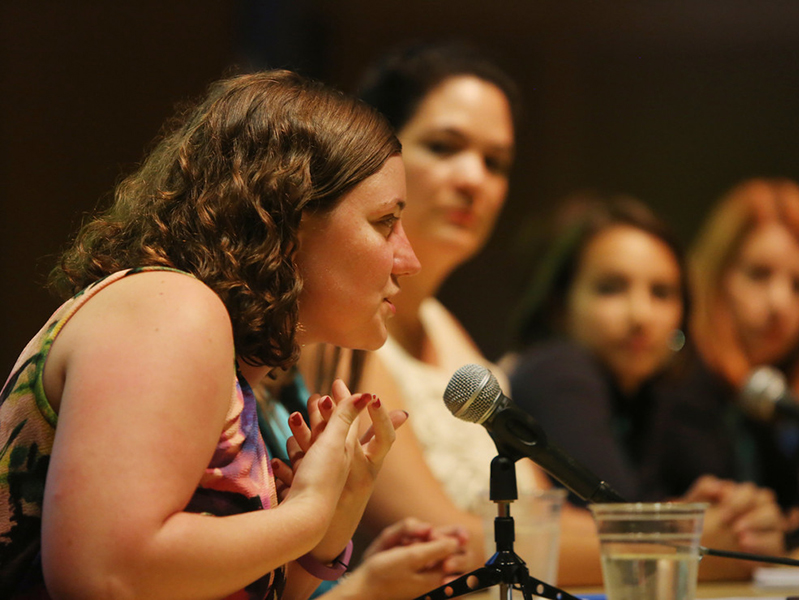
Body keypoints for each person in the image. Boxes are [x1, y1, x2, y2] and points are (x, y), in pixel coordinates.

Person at [0, 69, 423, 600]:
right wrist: (309, 515)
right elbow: (107, 576)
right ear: (285, 218)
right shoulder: (172, 308)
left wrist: (324, 532)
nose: (409, 260)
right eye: (385, 221)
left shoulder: (213, 347)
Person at [318, 42, 616, 587]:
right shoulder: (339, 329)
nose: (473, 179)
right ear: (375, 152)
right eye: (444, 145)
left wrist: (682, 520)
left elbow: (541, 517)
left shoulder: (443, 325)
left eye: (495, 162)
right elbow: (445, 538)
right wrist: (691, 542)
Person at [506, 193, 788, 579]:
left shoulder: (642, 393)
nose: (641, 315)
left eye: (661, 293)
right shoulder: (558, 370)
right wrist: (704, 528)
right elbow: (614, 523)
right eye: (611, 288)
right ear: (560, 304)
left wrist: (713, 512)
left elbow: (640, 516)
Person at [651, 178, 799, 514]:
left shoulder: (775, 400)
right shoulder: (668, 377)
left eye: (797, 285)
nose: (780, 304)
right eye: (759, 274)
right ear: (716, 277)